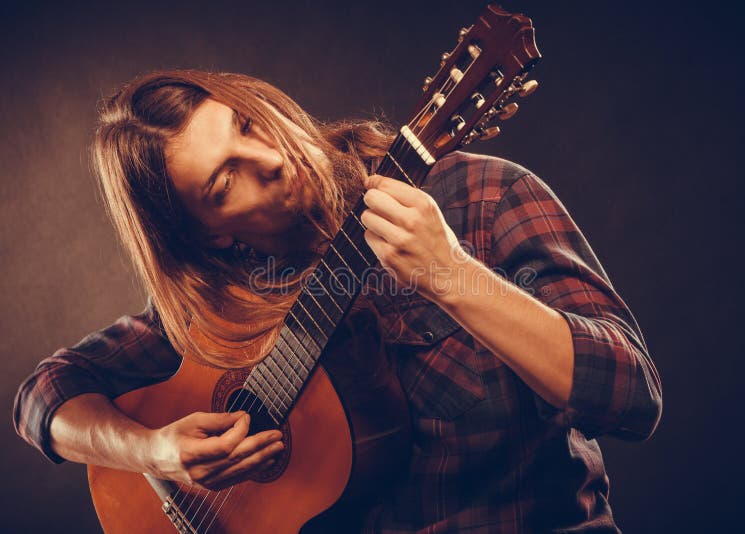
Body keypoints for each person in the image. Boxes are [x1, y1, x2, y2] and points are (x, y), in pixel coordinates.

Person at [13, 69, 662, 533]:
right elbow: (43, 396)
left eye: (245, 125)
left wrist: (450, 274)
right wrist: (152, 452)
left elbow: (632, 397)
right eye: (223, 180)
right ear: (212, 234)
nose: (264, 157)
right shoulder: (226, 298)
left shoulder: (482, 198)